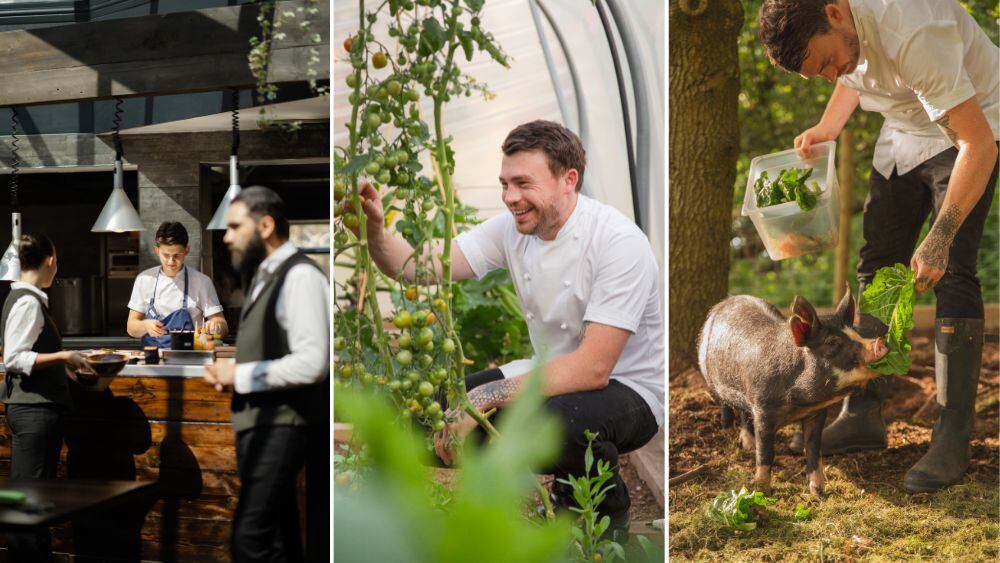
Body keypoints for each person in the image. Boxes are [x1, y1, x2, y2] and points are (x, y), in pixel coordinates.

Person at [357, 120, 664, 537]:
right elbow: (414, 268)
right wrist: (374, 227)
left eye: (522, 183)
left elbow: (593, 369)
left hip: (631, 389)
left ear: (568, 180)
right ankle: (541, 493)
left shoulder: (618, 242)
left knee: (562, 425)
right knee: (422, 421)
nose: (510, 198)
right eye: (504, 184)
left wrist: (483, 398)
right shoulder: (513, 230)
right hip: (549, 371)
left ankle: (605, 526)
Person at [758, 0, 999, 492]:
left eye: (824, 62)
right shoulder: (840, 35)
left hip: (970, 129)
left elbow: (979, 145)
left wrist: (940, 235)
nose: (830, 74)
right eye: (817, 72)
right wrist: (828, 127)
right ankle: (863, 410)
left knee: (951, 269)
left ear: (835, 12)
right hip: (906, 131)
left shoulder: (914, 30)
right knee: (876, 264)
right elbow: (850, 73)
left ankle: (954, 433)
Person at [203, 187, 329, 563]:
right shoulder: (264, 276)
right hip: (263, 426)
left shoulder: (300, 277)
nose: (226, 237)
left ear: (266, 225)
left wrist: (239, 374)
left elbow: (313, 361)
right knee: (279, 539)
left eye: (235, 226)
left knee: (249, 540)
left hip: (285, 425)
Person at [1, 234, 90, 562]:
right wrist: (65, 358)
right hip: (34, 412)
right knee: (28, 506)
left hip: (33, 409)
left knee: (30, 502)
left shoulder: (21, 297)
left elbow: (27, 354)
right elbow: (14, 358)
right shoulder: (27, 301)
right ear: (50, 260)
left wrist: (61, 370)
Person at [126, 221, 227, 347]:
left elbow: (222, 324)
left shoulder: (202, 282)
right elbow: (131, 327)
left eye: (177, 255)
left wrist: (216, 325)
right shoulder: (144, 279)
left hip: (190, 357)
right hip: (154, 358)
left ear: (187, 250)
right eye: (166, 255)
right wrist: (145, 325)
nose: (171, 261)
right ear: (156, 250)